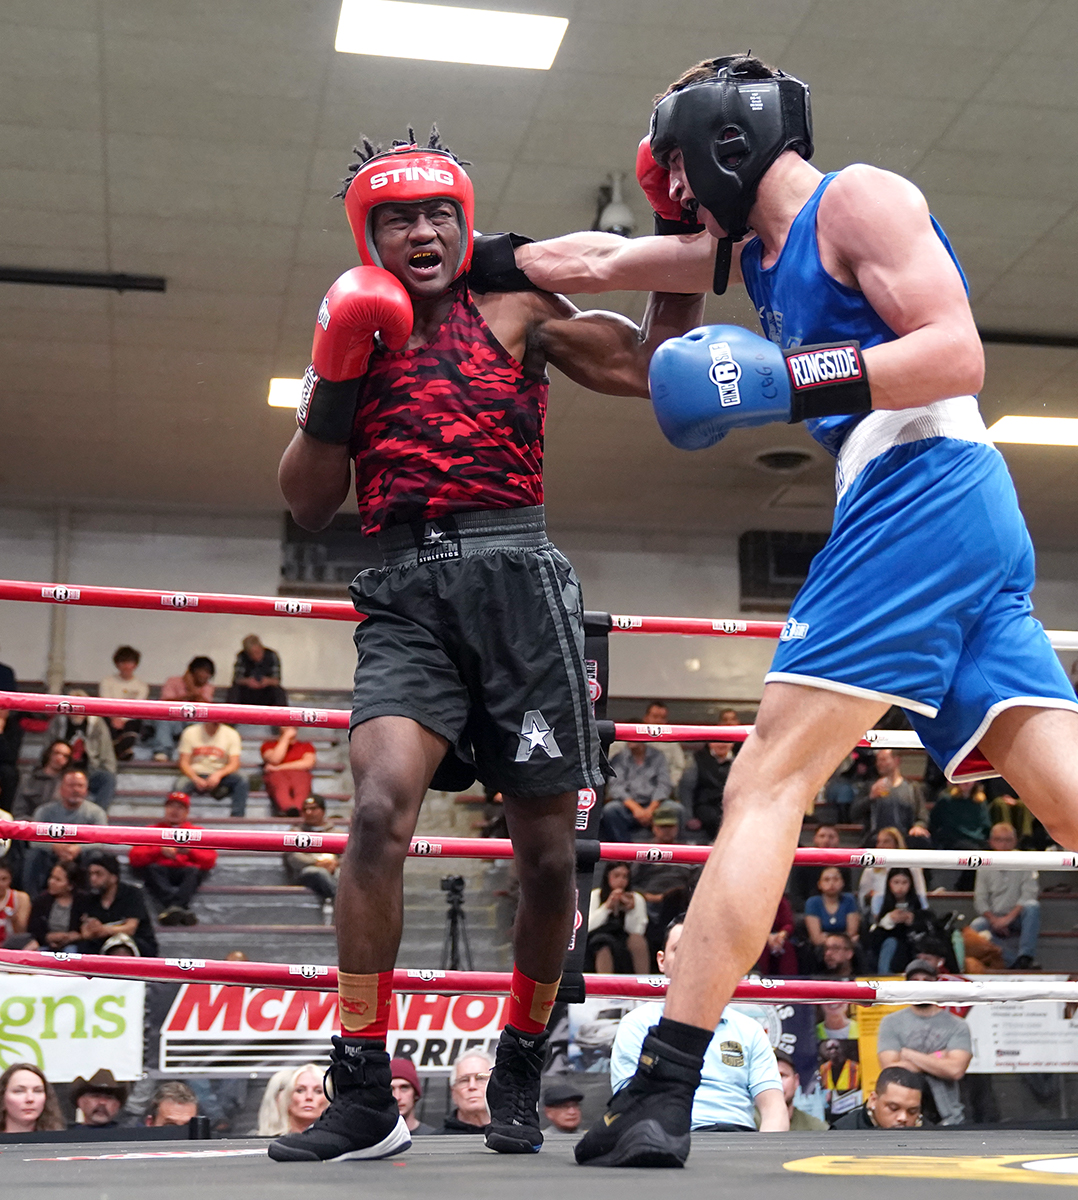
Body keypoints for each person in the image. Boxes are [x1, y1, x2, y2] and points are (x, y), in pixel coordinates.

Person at [512, 53, 1078, 1165]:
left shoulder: (855, 196)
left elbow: (956, 350)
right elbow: (592, 256)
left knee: (767, 778)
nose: (671, 190)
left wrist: (789, 376)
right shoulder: (747, 252)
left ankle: (665, 1088)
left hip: (920, 487)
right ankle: (667, 1086)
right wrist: (470, 261)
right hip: (949, 512)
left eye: (676, 165)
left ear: (725, 140)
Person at [268, 127, 702, 1165]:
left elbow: (655, 372)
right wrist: (334, 379)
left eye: (436, 215)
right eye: (396, 219)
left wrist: (682, 236)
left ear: (464, 220)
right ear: (368, 234)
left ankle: (517, 1057)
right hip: (405, 592)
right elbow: (307, 501)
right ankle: (365, 1084)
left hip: (517, 584)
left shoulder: (515, 306)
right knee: (375, 814)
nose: (421, 233)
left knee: (548, 856)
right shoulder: (354, 332)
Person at [610, 918, 787, 1132]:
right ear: (661, 961)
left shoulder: (749, 1030)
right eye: (680, 949)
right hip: (665, 1140)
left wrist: (763, 1159)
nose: (691, 958)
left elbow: (774, 1109)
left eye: (702, 949)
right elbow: (628, 1107)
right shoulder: (637, 1024)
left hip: (738, 1142)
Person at [876, 959, 972, 1126]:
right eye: (915, 981)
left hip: (949, 1119)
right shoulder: (890, 1022)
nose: (920, 986)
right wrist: (938, 1057)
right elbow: (891, 1070)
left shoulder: (958, 1025)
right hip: (902, 1118)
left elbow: (955, 1070)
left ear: (936, 984)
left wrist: (908, 1054)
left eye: (927, 981)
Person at [128, 792, 217, 925]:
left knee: (193, 872)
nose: (175, 811)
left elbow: (209, 860)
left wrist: (190, 851)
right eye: (171, 806)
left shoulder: (197, 831)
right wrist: (159, 850)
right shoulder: (152, 830)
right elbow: (135, 858)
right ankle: (180, 908)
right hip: (159, 871)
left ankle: (172, 908)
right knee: (152, 869)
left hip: (185, 872)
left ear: (187, 812)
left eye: (180, 807)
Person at [23, 767, 108, 896]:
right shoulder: (44, 811)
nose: (76, 790)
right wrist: (54, 846)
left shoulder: (96, 813)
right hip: (51, 855)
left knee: (95, 855)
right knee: (33, 855)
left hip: (80, 856)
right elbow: (33, 841)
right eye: (71, 785)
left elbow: (101, 840)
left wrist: (78, 848)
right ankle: (32, 900)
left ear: (86, 789)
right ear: (61, 788)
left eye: (80, 786)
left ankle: (91, 901)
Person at [970, 822, 1041, 969]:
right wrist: (995, 920)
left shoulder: (1025, 860)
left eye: (1008, 840)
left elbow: (1030, 893)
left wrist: (1008, 919)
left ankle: (1026, 956)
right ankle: (1013, 961)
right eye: (999, 840)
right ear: (991, 842)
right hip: (994, 916)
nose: (1003, 844)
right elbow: (980, 899)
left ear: (1015, 841)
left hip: (1019, 915)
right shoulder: (984, 863)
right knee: (976, 927)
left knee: (1033, 907)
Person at [72, 851, 158, 957]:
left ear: (113, 877)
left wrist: (102, 929)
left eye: (98, 874)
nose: (93, 879)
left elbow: (130, 928)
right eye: (91, 874)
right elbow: (85, 932)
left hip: (136, 942)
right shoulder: (88, 898)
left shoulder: (131, 893)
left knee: (121, 948)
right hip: (100, 944)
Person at [46, 695, 117, 810]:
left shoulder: (97, 723)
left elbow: (107, 751)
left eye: (81, 706)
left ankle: (99, 815)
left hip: (90, 770)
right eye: (74, 707)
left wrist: (108, 769)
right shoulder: (58, 722)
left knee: (107, 778)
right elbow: (48, 749)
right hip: (63, 771)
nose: (77, 710)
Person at [601, 744, 674, 842]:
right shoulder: (619, 758)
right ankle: (623, 852)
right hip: (628, 806)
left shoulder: (658, 756)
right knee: (610, 810)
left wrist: (651, 809)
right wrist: (636, 809)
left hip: (654, 804)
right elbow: (616, 787)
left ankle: (671, 851)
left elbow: (664, 785)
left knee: (674, 809)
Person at [866, 868, 933, 974]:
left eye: (904, 882)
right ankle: (885, 976)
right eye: (896, 882)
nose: (900, 887)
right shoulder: (881, 901)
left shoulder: (918, 902)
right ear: (889, 884)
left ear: (910, 884)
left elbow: (928, 924)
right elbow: (875, 935)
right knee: (890, 943)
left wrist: (913, 920)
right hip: (889, 944)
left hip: (914, 942)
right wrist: (888, 920)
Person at [587, 861, 649, 974]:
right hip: (598, 937)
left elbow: (638, 931)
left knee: (638, 941)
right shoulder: (596, 895)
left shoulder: (637, 898)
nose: (621, 881)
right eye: (616, 876)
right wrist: (606, 907)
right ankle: (605, 988)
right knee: (602, 943)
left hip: (623, 937)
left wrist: (630, 911)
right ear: (608, 876)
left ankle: (643, 986)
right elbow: (588, 927)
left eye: (625, 876)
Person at [176, 719, 248, 817]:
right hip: (196, 773)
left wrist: (219, 774)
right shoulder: (190, 732)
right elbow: (183, 762)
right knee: (180, 786)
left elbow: (234, 764)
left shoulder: (231, 734)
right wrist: (195, 778)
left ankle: (237, 817)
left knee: (241, 781)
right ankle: (176, 818)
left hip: (220, 774)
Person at [284, 795, 340, 917]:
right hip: (305, 872)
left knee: (343, 874)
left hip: (334, 870)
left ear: (323, 811)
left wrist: (336, 863)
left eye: (313, 808)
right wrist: (316, 862)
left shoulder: (336, 833)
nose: (309, 812)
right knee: (318, 873)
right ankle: (338, 900)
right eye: (305, 809)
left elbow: (348, 856)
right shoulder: (296, 832)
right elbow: (294, 858)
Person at [152, 656, 216, 761]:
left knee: (201, 723)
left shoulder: (208, 687)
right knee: (163, 719)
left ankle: (195, 753)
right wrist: (188, 696)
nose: (205, 676)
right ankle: (162, 751)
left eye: (208, 673)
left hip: (191, 720)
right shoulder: (173, 681)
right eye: (202, 671)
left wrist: (192, 688)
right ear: (193, 671)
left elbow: (206, 706)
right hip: (173, 718)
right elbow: (165, 702)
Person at [679, 732, 737, 842]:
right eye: (718, 741)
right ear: (710, 743)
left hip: (733, 806)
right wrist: (689, 817)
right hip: (705, 806)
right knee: (712, 816)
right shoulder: (697, 759)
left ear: (732, 743)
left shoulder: (741, 760)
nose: (721, 744)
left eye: (725, 741)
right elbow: (686, 790)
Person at [858, 827, 928, 916]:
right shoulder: (871, 870)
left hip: (909, 911)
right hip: (880, 912)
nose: (881, 845)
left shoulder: (913, 867)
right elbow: (863, 898)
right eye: (879, 842)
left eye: (886, 841)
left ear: (896, 843)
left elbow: (920, 894)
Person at [830, 1066, 925, 1130]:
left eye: (912, 1111)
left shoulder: (929, 1133)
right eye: (893, 1108)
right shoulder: (843, 1132)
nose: (903, 1118)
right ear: (873, 1100)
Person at [99, 645, 150, 760]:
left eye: (130, 662)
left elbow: (137, 706)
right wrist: (114, 718)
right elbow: (105, 702)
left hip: (130, 719)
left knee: (136, 723)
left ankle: (119, 748)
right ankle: (122, 749)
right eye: (123, 662)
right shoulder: (107, 681)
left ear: (135, 665)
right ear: (117, 664)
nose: (126, 666)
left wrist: (122, 720)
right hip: (110, 717)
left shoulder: (141, 686)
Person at [867, 749, 930, 841]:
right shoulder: (870, 787)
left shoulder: (912, 788)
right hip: (877, 839)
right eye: (878, 760)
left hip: (905, 838)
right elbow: (854, 813)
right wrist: (870, 798)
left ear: (896, 760)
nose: (879, 764)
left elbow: (922, 816)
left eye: (883, 760)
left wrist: (918, 826)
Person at [786, 824, 849, 912]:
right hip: (807, 910)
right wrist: (813, 911)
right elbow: (796, 896)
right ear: (814, 839)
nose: (826, 840)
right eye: (822, 836)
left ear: (838, 840)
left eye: (831, 837)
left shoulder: (844, 864)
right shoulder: (803, 863)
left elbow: (846, 895)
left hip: (838, 911)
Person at [260, 727, 317, 816]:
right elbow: (275, 759)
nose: (288, 726)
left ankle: (298, 809)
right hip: (278, 776)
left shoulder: (306, 746)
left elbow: (308, 763)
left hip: (299, 774)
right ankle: (288, 809)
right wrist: (286, 737)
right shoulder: (268, 745)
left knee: (302, 784)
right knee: (279, 784)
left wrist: (279, 767)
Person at [260, 1066, 330, 1137]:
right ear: (285, 1098)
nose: (309, 1097)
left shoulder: (337, 1143)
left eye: (318, 1091)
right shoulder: (260, 1143)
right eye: (300, 1090)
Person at [27, 859, 82, 950]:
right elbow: (33, 930)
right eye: (51, 877)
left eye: (58, 880)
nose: (51, 882)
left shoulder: (81, 902)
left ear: (70, 886)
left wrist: (70, 937)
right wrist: (48, 937)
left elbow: (84, 931)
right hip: (44, 944)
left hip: (73, 945)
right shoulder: (41, 901)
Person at [804, 867, 860, 950]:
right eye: (826, 880)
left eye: (836, 879)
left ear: (842, 883)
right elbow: (816, 938)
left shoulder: (849, 900)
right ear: (819, 884)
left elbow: (852, 933)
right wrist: (840, 941)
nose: (832, 883)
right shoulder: (812, 902)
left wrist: (831, 939)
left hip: (845, 947)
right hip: (822, 947)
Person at [13, 739, 72, 819]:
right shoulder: (29, 780)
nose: (59, 758)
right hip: (32, 825)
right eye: (56, 753)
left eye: (65, 756)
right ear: (48, 754)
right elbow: (19, 810)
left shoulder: (69, 783)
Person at [0, 1063, 65, 1133]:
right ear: (2, 1097)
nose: (30, 1099)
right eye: (19, 1091)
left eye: (37, 1091)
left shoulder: (61, 1141)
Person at [439, 1051, 493, 1134]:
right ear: (453, 1092)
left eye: (480, 1078)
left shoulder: (513, 1135)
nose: (472, 1086)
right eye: (464, 1080)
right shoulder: (436, 1142)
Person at [773, 1050, 827, 1131]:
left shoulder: (817, 1129)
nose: (777, 1082)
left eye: (782, 1075)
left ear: (796, 1080)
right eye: (769, 1076)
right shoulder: (748, 1125)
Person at [230, 635, 287, 707]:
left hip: (266, 691)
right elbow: (237, 679)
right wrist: (248, 681)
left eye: (257, 652)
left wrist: (267, 681)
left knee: (279, 693)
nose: (255, 656)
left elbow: (277, 680)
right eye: (251, 654)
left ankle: (280, 716)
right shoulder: (242, 657)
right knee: (234, 691)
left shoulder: (272, 656)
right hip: (248, 691)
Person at [753, 896, 797, 976]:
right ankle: (760, 978)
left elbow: (788, 923)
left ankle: (789, 981)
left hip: (778, 936)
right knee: (761, 948)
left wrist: (781, 935)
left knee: (787, 947)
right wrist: (766, 937)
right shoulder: (751, 901)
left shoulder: (781, 900)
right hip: (757, 937)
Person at [390, 1059, 436, 1136]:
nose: (397, 1097)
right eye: (391, 1089)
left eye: (404, 1088)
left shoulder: (434, 1137)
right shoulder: (373, 1139)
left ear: (415, 1093)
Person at [0, 858, 30, 940]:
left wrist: (14, 920)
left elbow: (22, 932)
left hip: (11, 945)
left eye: (4, 879)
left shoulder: (20, 898)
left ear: (10, 880)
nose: (0, 884)